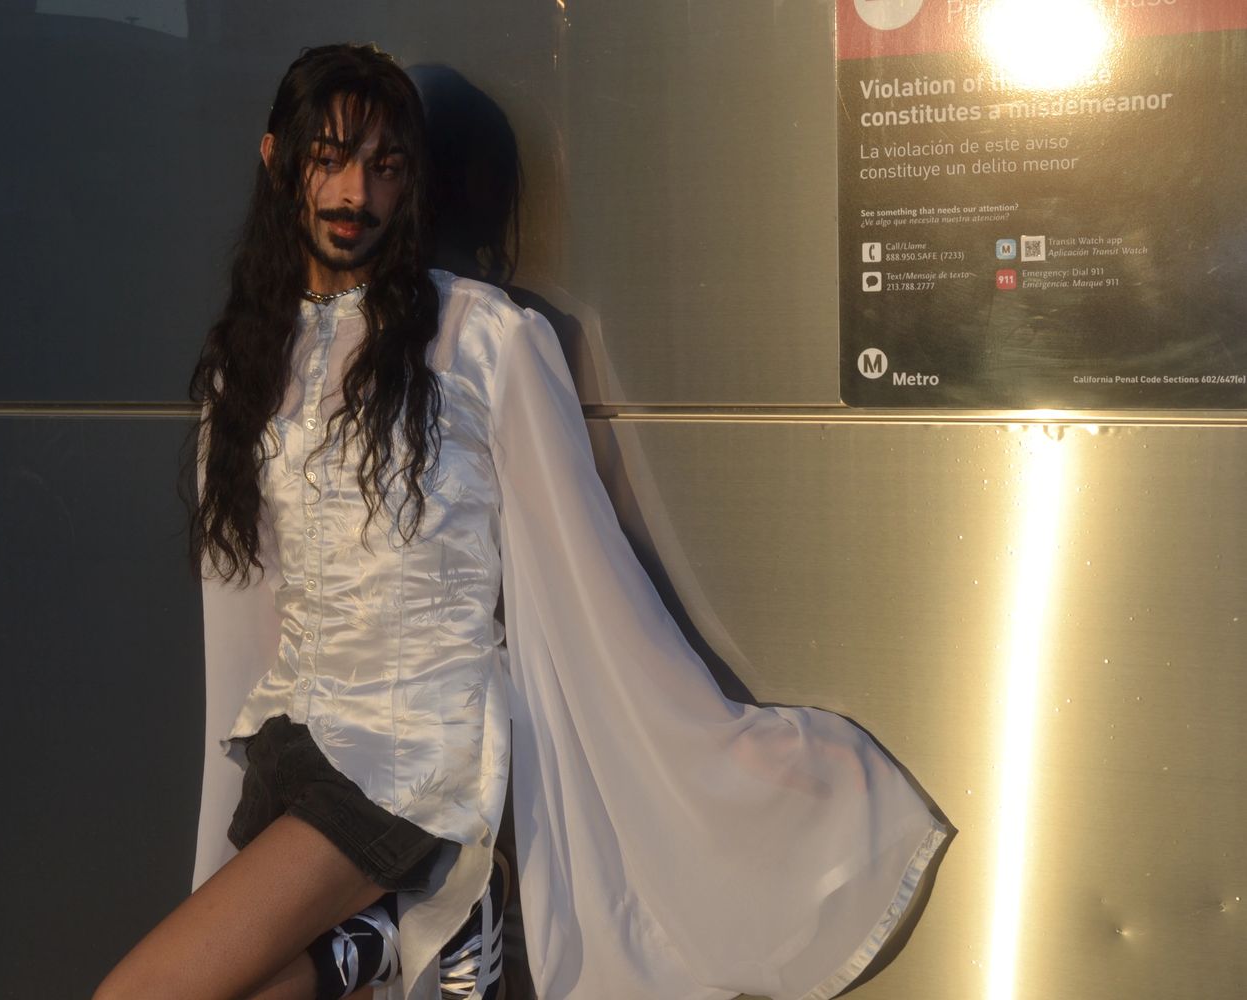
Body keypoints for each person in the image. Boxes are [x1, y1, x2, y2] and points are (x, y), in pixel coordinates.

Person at [98, 43, 947, 1000]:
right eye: (328, 159)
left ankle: (392, 930)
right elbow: (243, 611)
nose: (355, 192)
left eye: (385, 166)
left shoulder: (481, 339)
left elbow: (586, 574)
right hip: (291, 745)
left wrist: (720, 754)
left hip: (412, 756)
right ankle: (382, 941)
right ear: (276, 158)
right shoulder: (245, 364)